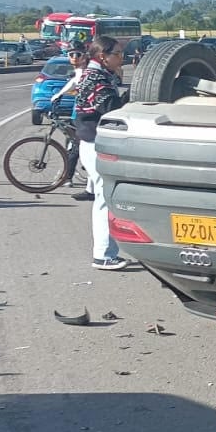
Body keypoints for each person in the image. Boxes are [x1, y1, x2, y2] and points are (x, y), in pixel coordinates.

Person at [72, 36, 131, 270]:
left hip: (91, 139)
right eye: (117, 54)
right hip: (94, 141)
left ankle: (106, 251)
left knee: (104, 197)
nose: (121, 58)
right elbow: (111, 111)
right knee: (105, 199)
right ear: (102, 56)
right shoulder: (96, 77)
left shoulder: (97, 74)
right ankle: (104, 254)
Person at [50, 45, 92, 200]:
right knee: (74, 143)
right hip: (78, 112)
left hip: (85, 113)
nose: (74, 57)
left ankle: (68, 177)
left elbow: (76, 83)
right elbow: (74, 82)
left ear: (84, 56)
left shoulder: (87, 70)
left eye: (77, 54)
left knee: (75, 145)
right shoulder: (79, 70)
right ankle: (71, 177)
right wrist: (60, 94)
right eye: (71, 54)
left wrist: (60, 94)